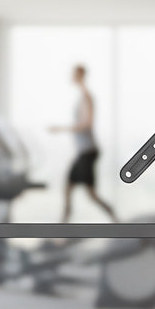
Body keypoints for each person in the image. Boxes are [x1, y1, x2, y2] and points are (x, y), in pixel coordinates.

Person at [50, 65, 118, 222]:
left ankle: (115, 218)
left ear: (80, 75)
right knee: (73, 189)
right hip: (84, 151)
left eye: (74, 74)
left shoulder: (86, 96)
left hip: (88, 150)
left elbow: (87, 123)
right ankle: (63, 227)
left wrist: (61, 129)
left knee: (87, 193)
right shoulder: (82, 96)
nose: (71, 76)